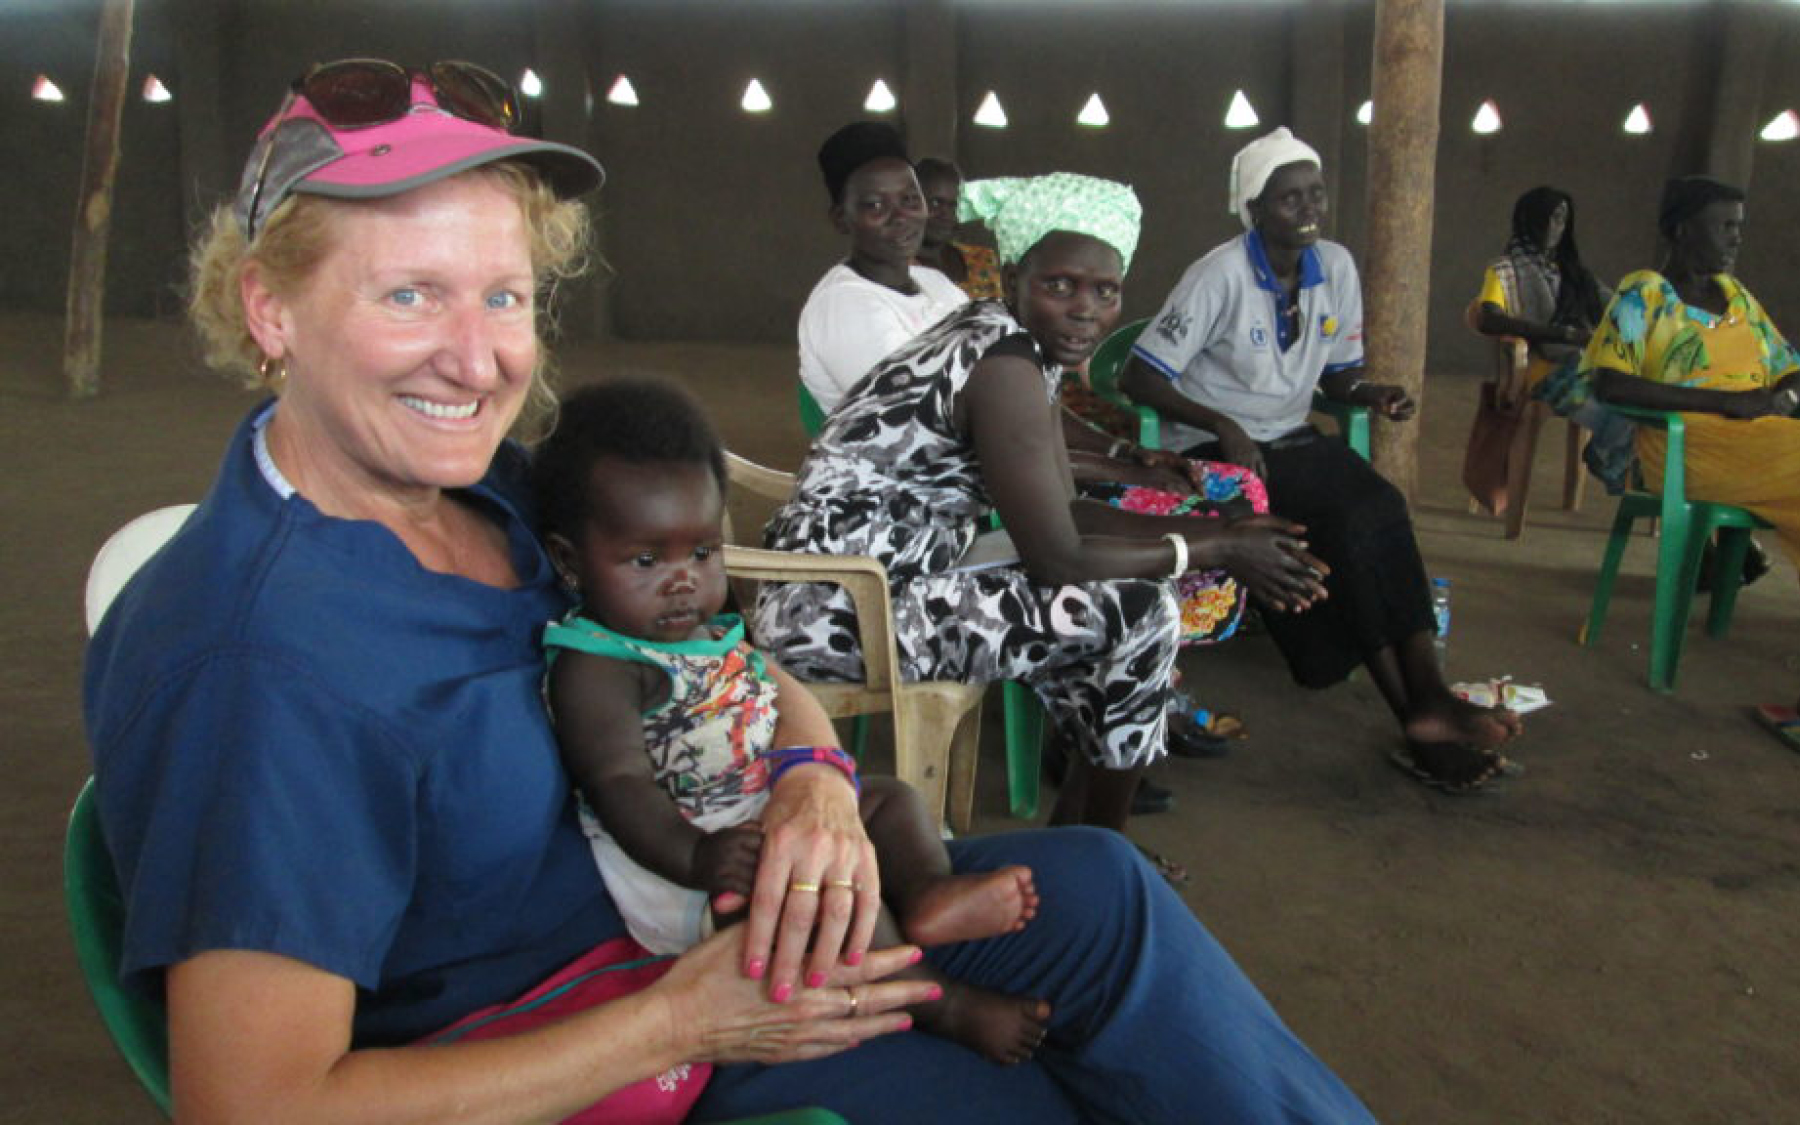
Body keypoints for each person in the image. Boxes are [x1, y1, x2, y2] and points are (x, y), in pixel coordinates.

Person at [84, 60, 1379, 1125]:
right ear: (267, 309)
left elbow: (724, 654)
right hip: (609, 1041)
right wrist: (682, 1016)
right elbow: (254, 1103)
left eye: (506, 294)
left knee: (1104, 889)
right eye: (407, 294)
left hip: (722, 913)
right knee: (1050, 1085)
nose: (475, 356)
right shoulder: (259, 661)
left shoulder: (502, 495)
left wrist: (815, 774)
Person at [756, 171, 1330, 840]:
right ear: (1009, 278)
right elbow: (1059, 555)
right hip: (843, 608)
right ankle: (1100, 855)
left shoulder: (1012, 344)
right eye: (1060, 285)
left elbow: (1070, 511)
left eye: (1104, 291)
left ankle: (1078, 840)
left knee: (1132, 604)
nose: (1084, 309)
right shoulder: (999, 363)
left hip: (892, 575)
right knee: (1141, 611)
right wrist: (1221, 548)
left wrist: (1212, 525)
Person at [535, 378, 1049, 1064]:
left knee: (889, 797)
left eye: (701, 551)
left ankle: (927, 892)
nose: (683, 578)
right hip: (690, 863)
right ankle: (937, 1002)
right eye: (647, 559)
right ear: (569, 561)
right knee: (816, 883)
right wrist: (698, 858)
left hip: (757, 809)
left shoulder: (700, 624)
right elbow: (619, 784)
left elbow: (756, 691)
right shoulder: (596, 665)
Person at [1119, 127, 1524, 794]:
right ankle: (1420, 709)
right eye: (1289, 198)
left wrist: (1371, 393)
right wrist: (1220, 422)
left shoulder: (1333, 266)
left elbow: (1338, 377)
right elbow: (1141, 377)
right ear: (1254, 208)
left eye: (1315, 193)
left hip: (1290, 438)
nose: (1309, 208)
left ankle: (1427, 697)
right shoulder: (1217, 275)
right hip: (1214, 447)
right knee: (1336, 526)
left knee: (1379, 509)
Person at [1580, 175, 1800, 718]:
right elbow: (1611, 383)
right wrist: (1727, 405)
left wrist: (1783, 395)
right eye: (1724, 225)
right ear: (1681, 230)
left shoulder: (1739, 298)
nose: (1736, 238)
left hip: (1761, 442)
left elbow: (1787, 365)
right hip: (1689, 448)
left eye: (1739, 227)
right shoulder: (1645, 294)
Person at [797, 122, 966, 414]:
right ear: (840, 218)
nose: (900, 217)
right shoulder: (842, 305)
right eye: (875, 205)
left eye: (910, 199)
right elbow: (915, 412)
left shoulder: (937, 285)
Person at [1473, 185, 1610, 401]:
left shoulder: (1572, 273)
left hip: (1581, 357)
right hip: (1535, 363)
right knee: (1607, 392)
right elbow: (1490, 320)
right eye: (1548, 218)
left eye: (1560, 220)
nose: (1553, 227)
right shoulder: (1503, 269)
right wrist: (1563, 334)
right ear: (1529, 221)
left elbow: (1612, 303)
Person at [914, 157, 1003, 301]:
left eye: (954, 205)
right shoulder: (898, 268)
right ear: (911, 203)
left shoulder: (982, 260)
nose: (946, 214)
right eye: (936, 203)